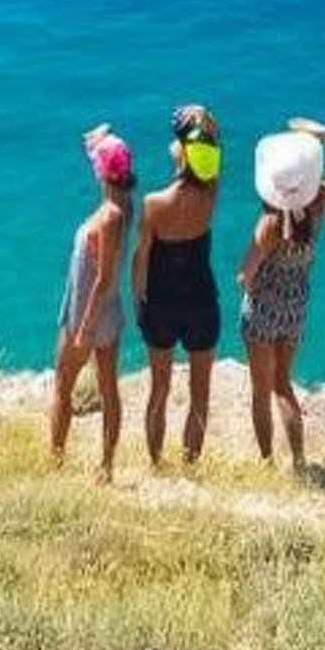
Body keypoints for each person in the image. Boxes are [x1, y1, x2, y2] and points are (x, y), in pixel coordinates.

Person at [238, 117, 325, 470]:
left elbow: (246, 275)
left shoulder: (269, 224)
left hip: (261, 315)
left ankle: (266, 462)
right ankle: (300, 461)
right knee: (283, 385)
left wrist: (245, 281)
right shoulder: (320, 201)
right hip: (295, 311)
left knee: (261, 393)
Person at [134, 105, 224, 468]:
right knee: (199, 394)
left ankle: (156, 463)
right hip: (201, 301)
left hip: (161, 303)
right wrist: (205, 117)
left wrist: (138, 297)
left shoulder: (154, 204)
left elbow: (141, 259)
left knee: (159, 390)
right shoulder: (210, 196)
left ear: (183, 155)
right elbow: (217, 151)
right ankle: (190, 465)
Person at [50, 124, 134, 482]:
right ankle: (106, 466)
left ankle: (56, 462)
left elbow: (100, 278)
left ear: (103, 172)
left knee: (62, 384)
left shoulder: (110, 216)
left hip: (88, 311)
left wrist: (82, 328)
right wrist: (101, 137)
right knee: (108, 387)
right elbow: (107, 154)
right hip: (109, 310)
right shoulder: (124, 204)